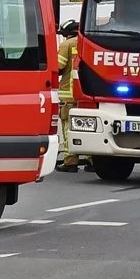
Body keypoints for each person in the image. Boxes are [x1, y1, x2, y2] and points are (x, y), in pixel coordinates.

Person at [55, 20, 84, 172]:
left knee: (68, 128)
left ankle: (70, 161)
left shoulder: (67, 45)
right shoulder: (86, 42)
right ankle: (91, 160)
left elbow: (58, 67)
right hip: (85, 94)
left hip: (68, 95)